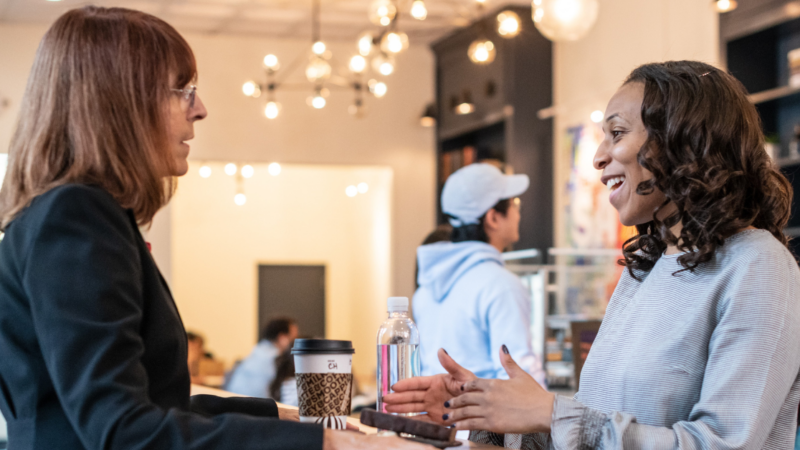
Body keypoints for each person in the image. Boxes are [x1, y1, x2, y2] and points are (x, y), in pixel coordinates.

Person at [0, 6, 424, 450]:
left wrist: (283, 417)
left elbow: (151, 404)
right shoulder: (77, 215)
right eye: (182, 91)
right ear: (119, 101)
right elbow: (123, 431)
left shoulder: (72, 212)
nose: (199, 109)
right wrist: (332, 445)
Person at [384, 61, 800, 449]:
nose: (599, 156)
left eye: (617, 134)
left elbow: (723, 443)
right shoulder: (646, 270)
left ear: (684, 141)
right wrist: (482, 413)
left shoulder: (758, 265)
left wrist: (549, 411)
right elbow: (590, 435)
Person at [413, 163, 545, 384]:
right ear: (493, 218)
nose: (518, 212)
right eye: (514, 203)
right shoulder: (502, 285)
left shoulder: (426, 287)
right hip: (485, 417)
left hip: (436, 416)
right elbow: (520, 379)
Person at [226, 317, 298, 398]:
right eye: (293, 338)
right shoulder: (277, 359)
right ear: (282, 338)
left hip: (233, 401)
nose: (295, 343)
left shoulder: (256, 351)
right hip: (255, 406)